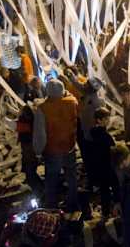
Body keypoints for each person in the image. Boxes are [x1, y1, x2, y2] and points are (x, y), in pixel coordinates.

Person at [33, 79, 79, 210]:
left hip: (52, 151)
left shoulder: (42, 109)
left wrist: (38, 151)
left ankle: (52, 208)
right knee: (71, 178)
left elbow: (40, 134)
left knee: (51, 181)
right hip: (69, 147)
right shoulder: (72, 103)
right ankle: (73, 204)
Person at [89, 107, 117, 217]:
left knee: (104, 191)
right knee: (114, 188)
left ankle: (105, 213)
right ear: (99, 120)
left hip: (100, 167)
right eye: (105, 119)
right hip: (107, 166)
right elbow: (112, 149)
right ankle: (116, 210)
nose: (108, 120)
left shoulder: (93, 134)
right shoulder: (104, 136)